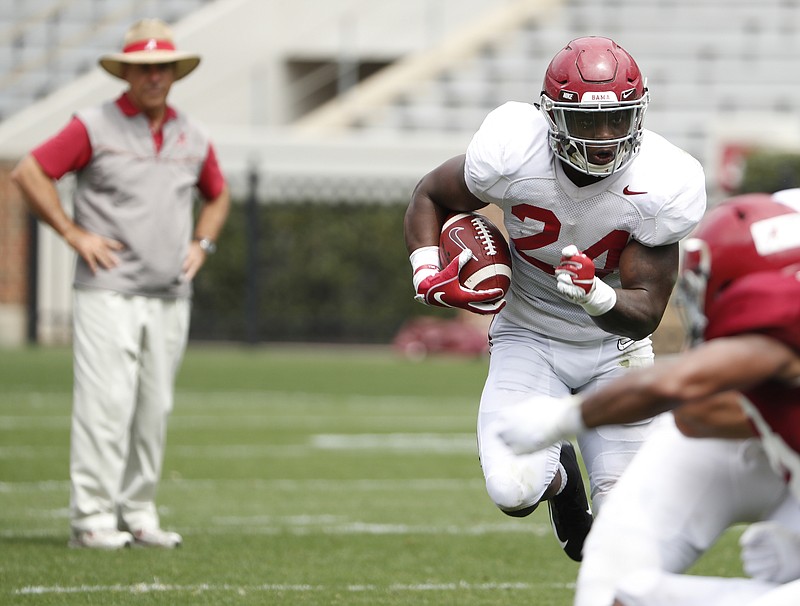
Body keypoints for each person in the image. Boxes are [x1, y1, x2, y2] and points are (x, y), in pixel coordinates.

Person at [404, 35, 706, 561]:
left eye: (619, 119)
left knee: (625, 539)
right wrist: (427, 270)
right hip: (529, 333)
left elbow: (646, 315)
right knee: (514, 490)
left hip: (615, 354)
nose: (605, 137)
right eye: (588, 122)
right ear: (553, 117)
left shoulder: (663, 182)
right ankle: (561, 480)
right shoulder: (513, 152)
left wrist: (596, 295)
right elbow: (431, 194)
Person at [494, 192, 800, 605]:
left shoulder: (778, 311)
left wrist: (565, 417)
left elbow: (676, 387)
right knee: (610, 589)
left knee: (635, 596)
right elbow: (700, 415)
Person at [11, 18, 230, 549]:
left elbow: (217, 194)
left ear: (174, 73)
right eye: (142, 68)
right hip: (107, 290)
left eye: (161, 68)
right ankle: (90, 519)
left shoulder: (192, 134)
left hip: (170, 293)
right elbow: (30, 172)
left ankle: (137, 513)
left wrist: (201, 245)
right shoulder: (92, 125)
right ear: (126, 73)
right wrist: (71, 233)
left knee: (153, 409)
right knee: (105, 403)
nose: (153, 77)